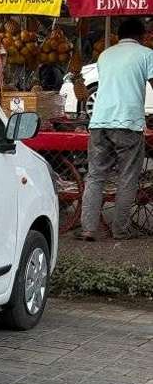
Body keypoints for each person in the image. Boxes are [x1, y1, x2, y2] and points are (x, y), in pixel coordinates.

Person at [77, 16, 153, 240]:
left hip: (99, 122)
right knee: (127, 176)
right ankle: (120, 229)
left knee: (95, 176)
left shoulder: (105, 54)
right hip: (127, 123)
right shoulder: (147, 54)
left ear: (119, 36)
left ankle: (88, 229)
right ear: (141, 36)